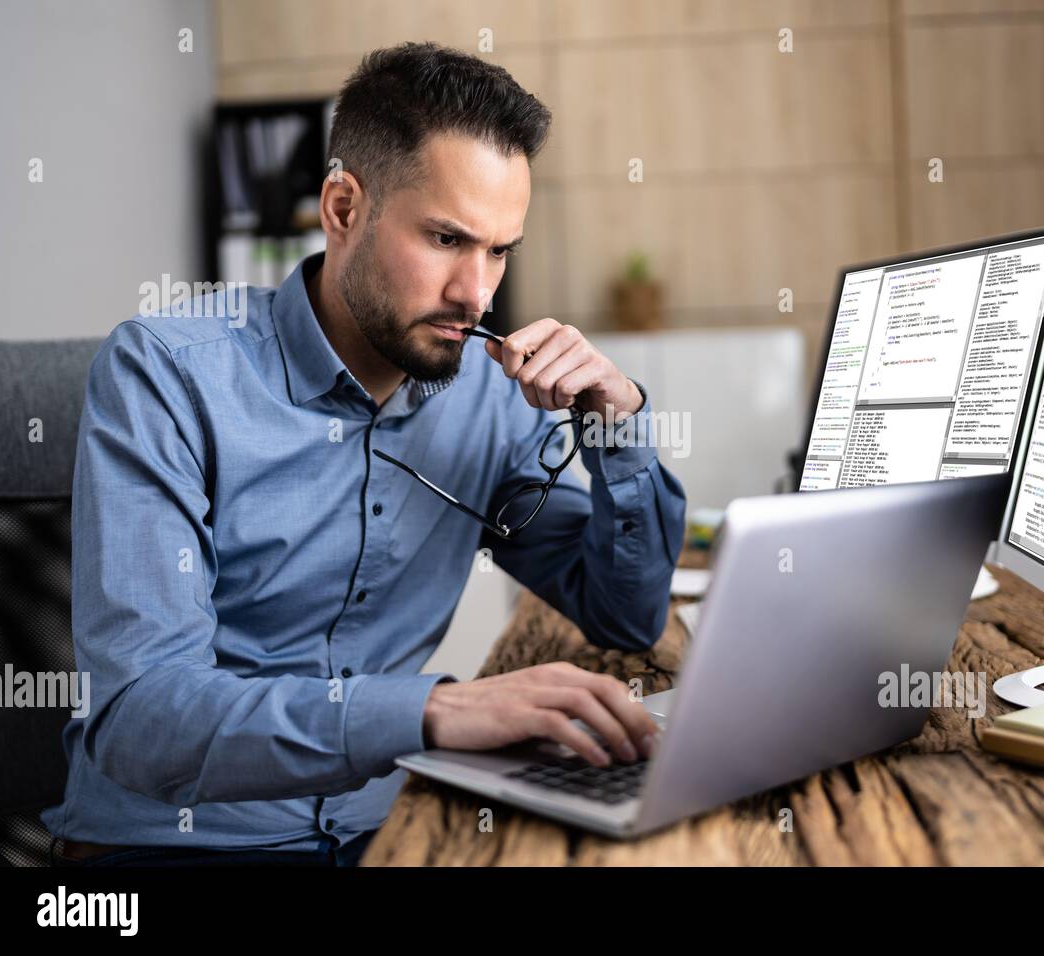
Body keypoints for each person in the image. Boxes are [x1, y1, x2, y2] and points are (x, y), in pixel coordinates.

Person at [44, 41, 686, 866]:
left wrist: (617, 427)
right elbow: (140, 718)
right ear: (344, 208)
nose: (478, 294)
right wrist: (430, 713)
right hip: (173, 845)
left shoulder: (489, 395)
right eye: (448, 239)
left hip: (381, 833)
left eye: (499, 251)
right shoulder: (164, 374)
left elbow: (626, 616)